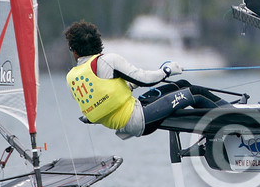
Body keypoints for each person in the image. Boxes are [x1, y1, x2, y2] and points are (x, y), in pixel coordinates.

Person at [64, 21, 224, 139]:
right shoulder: (108, 61)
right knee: (195, 93)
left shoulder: (72, 77)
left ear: (75, 51)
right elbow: (144, 80)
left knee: (182, 86)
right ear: (98, 43)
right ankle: (233, 117)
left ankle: (228, 112)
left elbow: (102, 98)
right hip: (141, 118)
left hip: (136, 113)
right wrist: (166, 71)